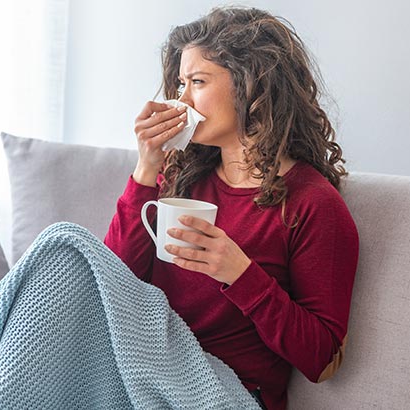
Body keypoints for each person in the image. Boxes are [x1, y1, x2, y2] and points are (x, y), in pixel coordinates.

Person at [104, 6, 360, 410]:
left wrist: (240, 274)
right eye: (180, 84)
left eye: (198, 82)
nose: (181, 99)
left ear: (252, 87)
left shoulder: (312, 204)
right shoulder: (182, 176)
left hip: (226, 394)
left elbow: (322, 359)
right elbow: (112, 284)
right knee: (61, 248)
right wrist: (146, 167)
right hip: (145, 376)